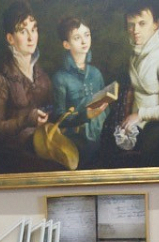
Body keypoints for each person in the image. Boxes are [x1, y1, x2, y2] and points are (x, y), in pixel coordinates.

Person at [0, 2, 52, 168]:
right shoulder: (0, 78)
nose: (31, 38)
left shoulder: (42, 76)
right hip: (13, 157)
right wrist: (27, 119)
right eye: (23, 31)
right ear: (10, 39)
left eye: (33, 29)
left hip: (41, 147)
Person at [114, 3, 159, 153]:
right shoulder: (134, 56)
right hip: (132, 124)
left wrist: (139, 115)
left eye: (142, 23)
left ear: (156, 24)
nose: (135, 30)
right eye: (131, 25)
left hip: (154, 128)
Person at [50, 17, 110, 167]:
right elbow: (58, 117)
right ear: (66, 44)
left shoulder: (96, 73)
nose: (84, 41)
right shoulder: (60, 78)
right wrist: (85, 116)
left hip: (102, 136)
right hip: (75, 142)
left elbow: (107, 108)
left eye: (87, 35)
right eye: (77, 38)